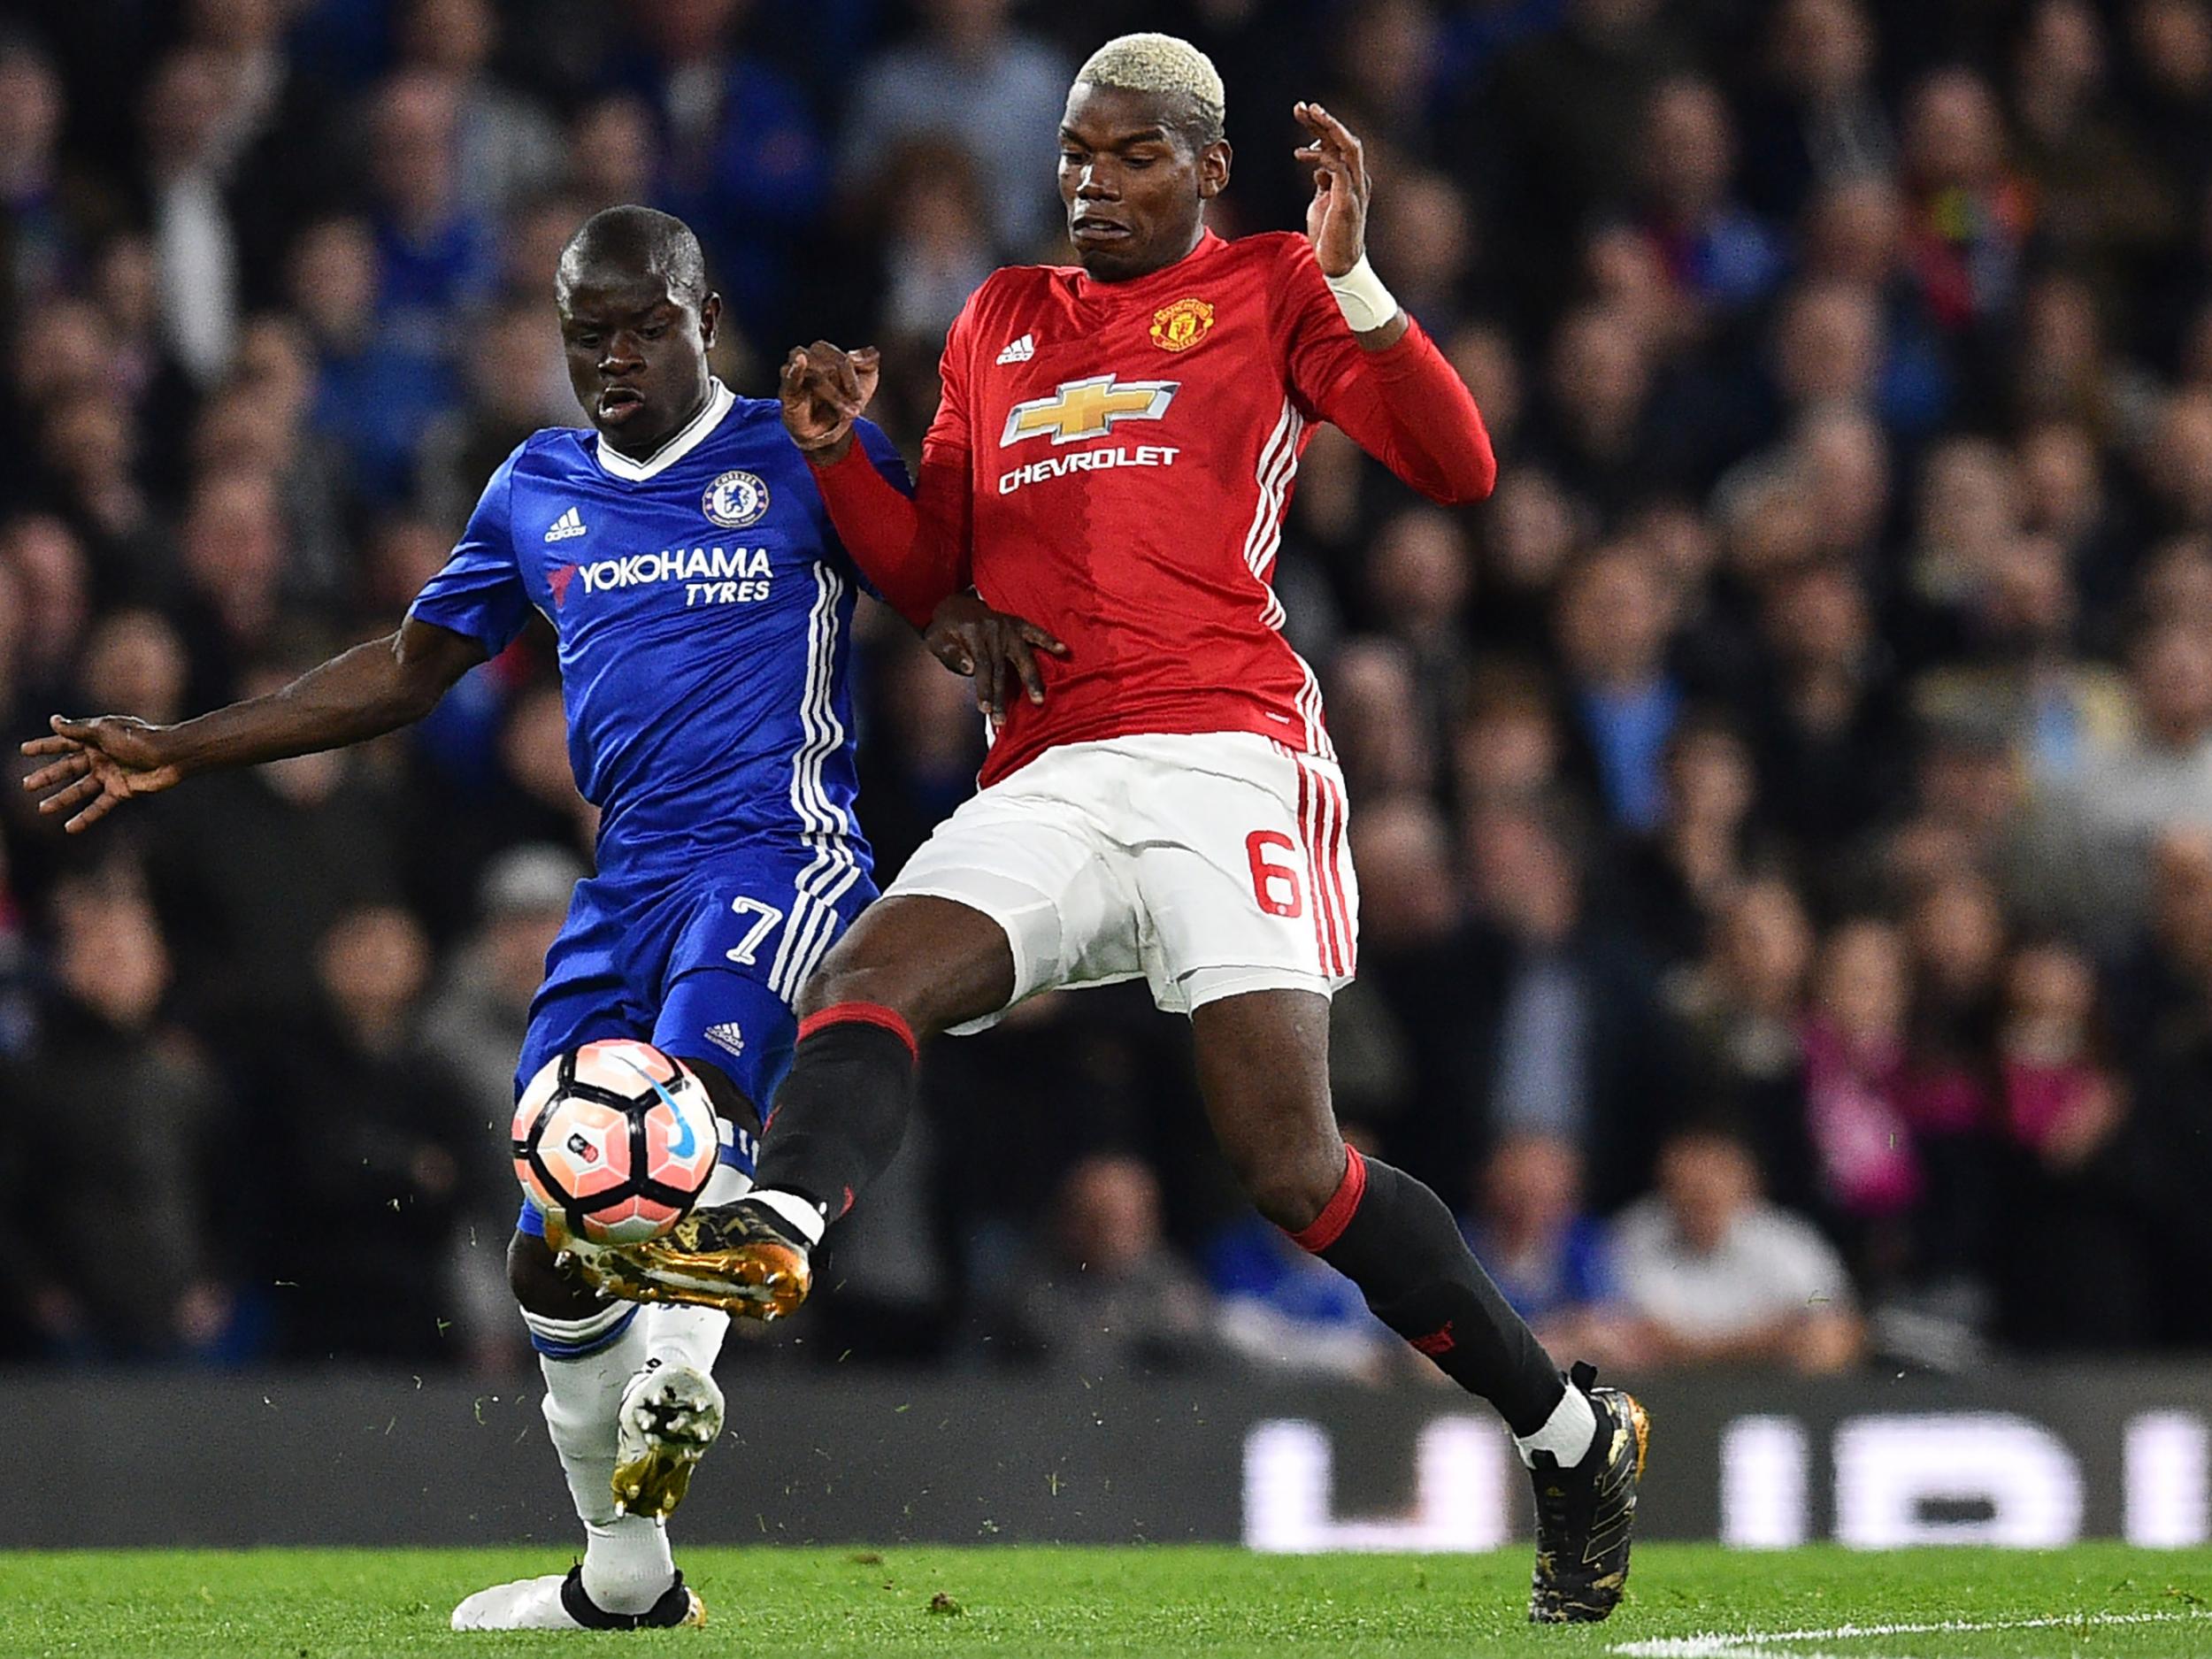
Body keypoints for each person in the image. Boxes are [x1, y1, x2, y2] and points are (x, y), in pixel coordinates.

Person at [571, 35, 1647, 1624]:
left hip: (1227, 752)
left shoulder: (1279, 284)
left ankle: (1567, 1439)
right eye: (1078, 153)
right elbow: (936, 574)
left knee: (1290, 1171)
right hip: (1056, 764)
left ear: (1210, 170)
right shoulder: (1002, 319)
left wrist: (1357, 281)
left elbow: (1460, 464)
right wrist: (835, 457)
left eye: (1132, 155)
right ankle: (777, 1222)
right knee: (868, 972)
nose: (1092, 180)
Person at [18, 205, 1043, 1632]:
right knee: (550, 1242)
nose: (615, 358)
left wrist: (888, 495)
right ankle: (625, 1581)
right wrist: (182, 745)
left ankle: (687, 1349)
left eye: (644, 328)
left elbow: (934, 588)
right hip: (620, 884)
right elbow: (401, 669)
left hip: (774, 853)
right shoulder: (536, 487)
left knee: (682, 1130)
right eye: (587, 335)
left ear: (704, 320)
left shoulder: (788, 451)